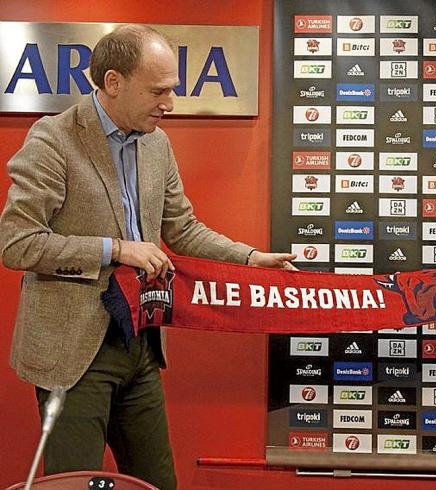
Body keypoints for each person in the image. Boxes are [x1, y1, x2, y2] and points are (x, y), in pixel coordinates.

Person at [0, 24, 295, 489]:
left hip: (140, 344)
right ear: (113, 82)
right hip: (72, 354)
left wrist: (250, 257)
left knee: (158, 482)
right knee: (72, 485)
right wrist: (115, 250)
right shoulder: (53, 140)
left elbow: (182, 229)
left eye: (173, 89)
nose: (170, 103)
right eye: (159, 90)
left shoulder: (156, 143)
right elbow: (17, 243)